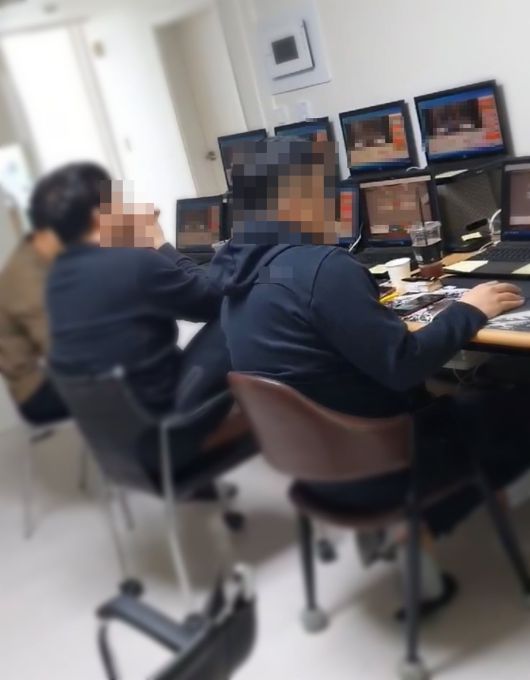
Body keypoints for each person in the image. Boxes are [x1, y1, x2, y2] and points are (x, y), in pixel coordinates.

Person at [209, 137, 530, 605]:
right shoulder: (321, 268)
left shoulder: (235, 277)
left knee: (477, 390)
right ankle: (431, 516)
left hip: (316, 468)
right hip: (389, 464)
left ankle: (444, 510)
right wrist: (470, 309)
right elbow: (404, 365)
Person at [41, 163, 230, 418]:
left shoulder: (57, 277)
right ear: (98, 216)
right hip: (164, 419)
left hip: (112, 423)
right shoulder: (134, 264)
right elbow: (214, 299)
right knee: (237, 312)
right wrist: (158, 242)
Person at [0, 172, 76, 425]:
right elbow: (63, 351)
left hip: (54, 373)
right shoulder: (27, 278)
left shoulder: (40, 256)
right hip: (38, 391)